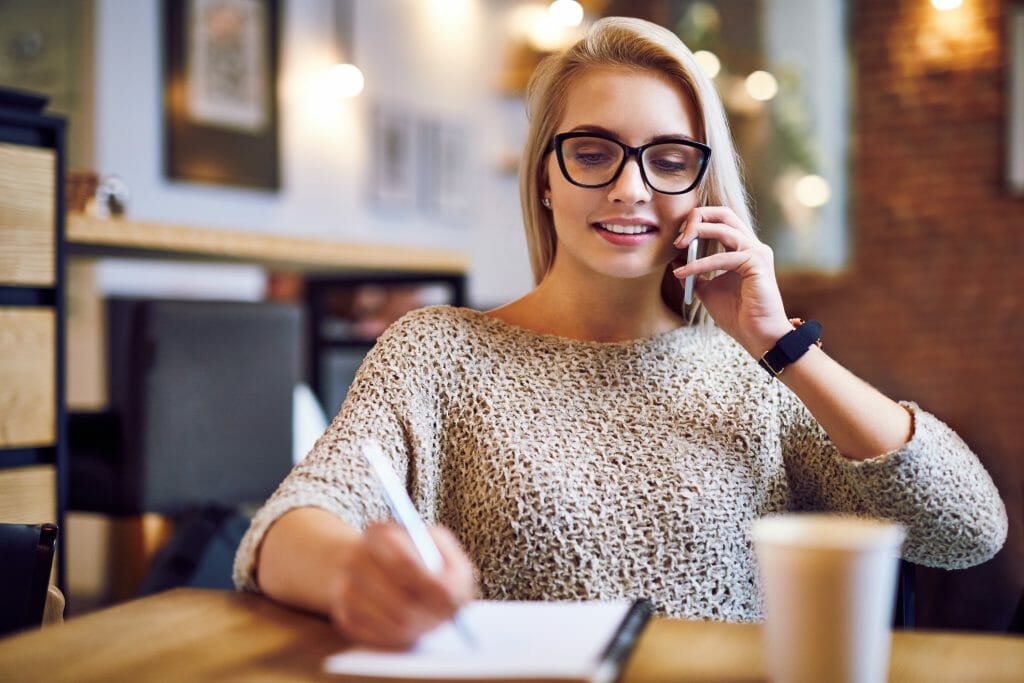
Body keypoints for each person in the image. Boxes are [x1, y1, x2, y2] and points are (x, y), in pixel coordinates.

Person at [233, 17, 1007, 649]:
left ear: (701, 186)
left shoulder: (754, 375)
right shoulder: (437, 354)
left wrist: (783, 345)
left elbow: (969, 529)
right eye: (594, 151)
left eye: (668, 159)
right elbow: (289, 526)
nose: (630, 187)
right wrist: (351, 573)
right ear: (544, 175)